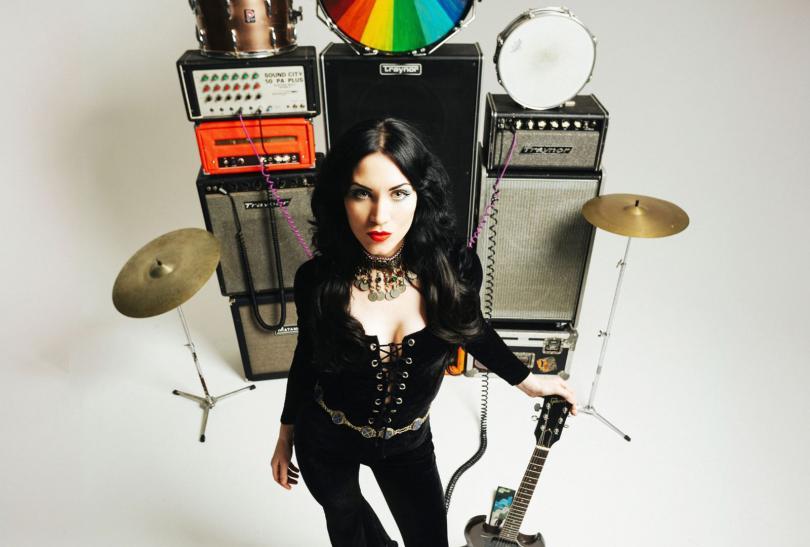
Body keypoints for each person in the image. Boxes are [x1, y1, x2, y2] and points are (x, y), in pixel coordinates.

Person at [270, 118, 577, 547]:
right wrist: (286, 433)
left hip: (407, 443)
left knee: (430, 541)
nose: (380, 216)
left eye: (398, 193)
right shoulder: (317, 280)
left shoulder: (454, 268)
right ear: (341, 198)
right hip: (326, 440)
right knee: (348, 527)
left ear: (420, 195)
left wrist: (528, 382)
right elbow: (307, 355)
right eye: (362, 193)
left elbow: (473, 329)